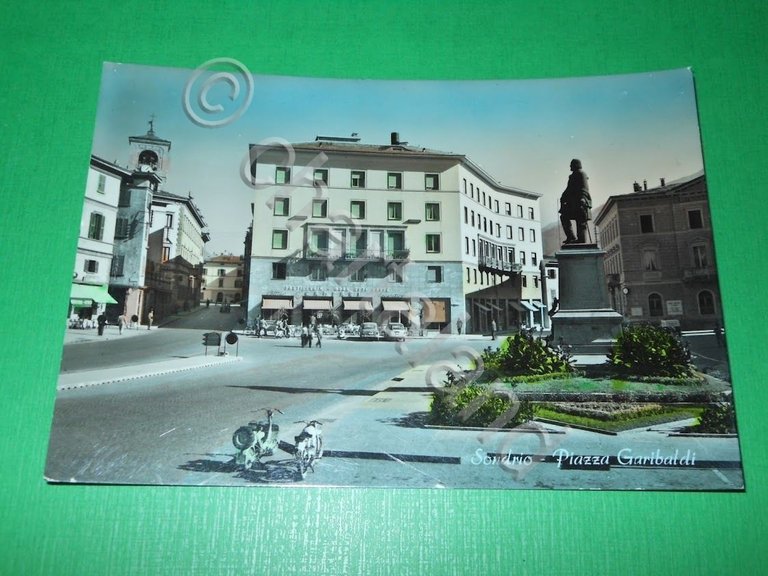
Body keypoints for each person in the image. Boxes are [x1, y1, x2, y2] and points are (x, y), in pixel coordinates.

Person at [559, 159, 593, 244]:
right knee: (564, 216)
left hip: (581, 203)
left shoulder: (582, 174)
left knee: (581, 221)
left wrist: (583, 199)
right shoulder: (572, 176)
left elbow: (584, 189)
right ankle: (571, 237)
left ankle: (581, 240)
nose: (570, 167)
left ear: (576, 165)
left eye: (571, 165)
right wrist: (563, 198)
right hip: (573, 204)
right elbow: (568, 189)